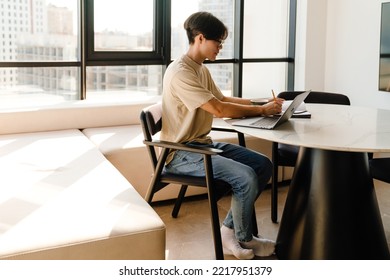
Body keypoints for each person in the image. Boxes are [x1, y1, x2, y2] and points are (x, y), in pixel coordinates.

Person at [160, 11, 283, 260]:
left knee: (262, 165)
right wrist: (261, 110)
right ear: (201, 38)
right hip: (182, 153)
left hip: (201, 144)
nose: (221, 48)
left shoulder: (200, 69)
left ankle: (229, 231)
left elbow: (223, 99)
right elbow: (217, 109)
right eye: (219, 42)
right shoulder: (180, 72)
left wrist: (261, 102)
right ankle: (244, 237)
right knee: (246, 177)